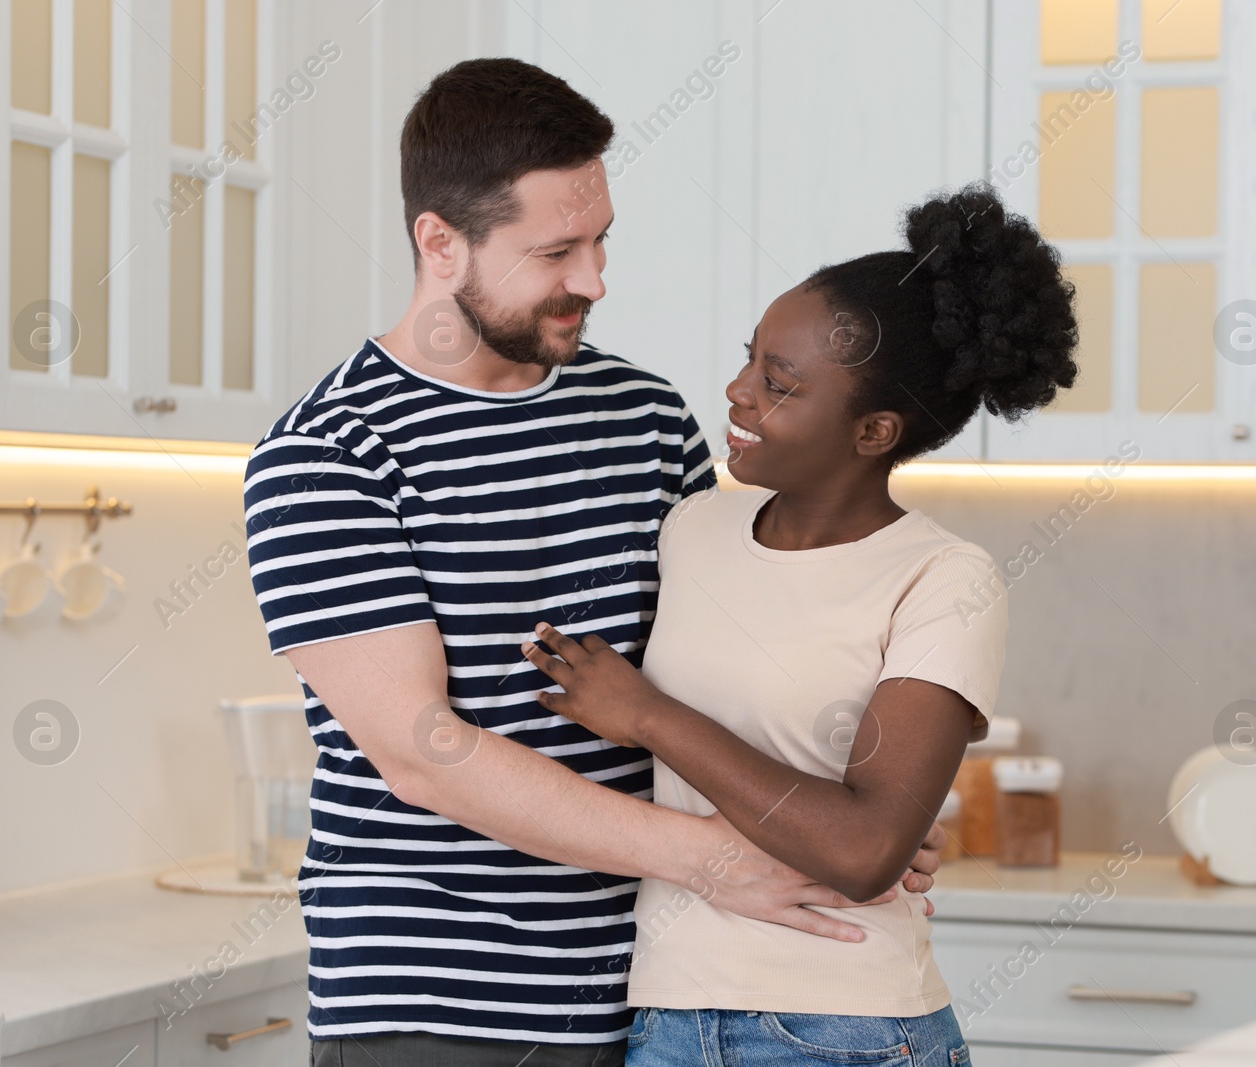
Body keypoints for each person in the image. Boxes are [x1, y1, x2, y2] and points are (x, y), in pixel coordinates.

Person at [241, 57, 947, 1067]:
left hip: (656, 994)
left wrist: (843, 816)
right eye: (555, 251)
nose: (594, 280)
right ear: (438, 242)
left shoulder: (645, 416)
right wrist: (718, 858)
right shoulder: (327, 455)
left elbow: (719, 659)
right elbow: (419, 748)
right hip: (439, 1009)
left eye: (602, 237)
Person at [519, 183, 1079, 1065]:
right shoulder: (691, 529)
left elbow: (863, 849)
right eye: (750, 359)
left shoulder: (943, 578)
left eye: (779, 385)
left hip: (843, 1030)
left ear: (874, 431)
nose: (738, 393)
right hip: (666, 1018)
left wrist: (649, 715)